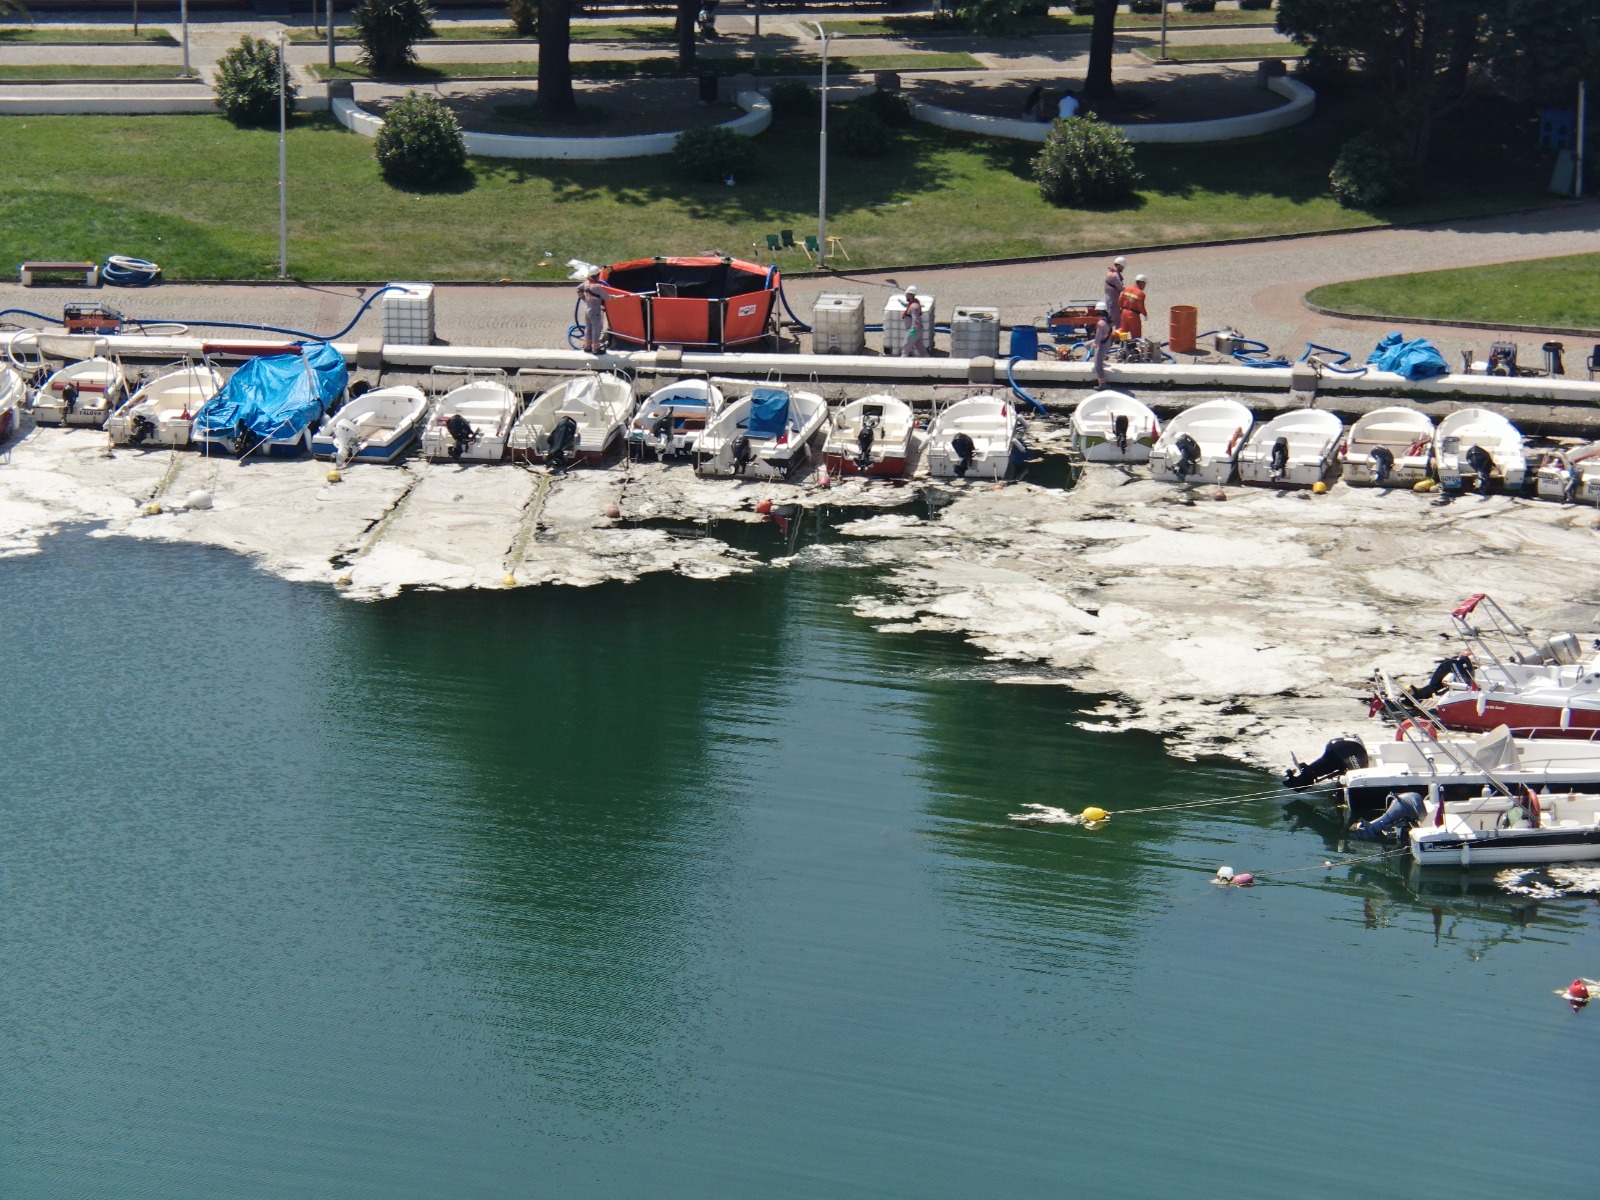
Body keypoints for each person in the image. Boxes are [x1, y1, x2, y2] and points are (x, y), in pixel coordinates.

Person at [577, 266, 607, 354]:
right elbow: (606, 297)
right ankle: (595, 349)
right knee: (596, 329)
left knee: (588, 328)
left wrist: (584, 298)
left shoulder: (586, 283)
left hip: (587, 309)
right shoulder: (597, 286)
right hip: (595, 311)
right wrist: (614, 298)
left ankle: (587, 347)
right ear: (597, 275)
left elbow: (578, 289)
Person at [1118, 273, 1148, 340]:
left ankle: (1116, 338)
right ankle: (1134, 348)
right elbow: (1141, 307)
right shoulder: (1140, 293)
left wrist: (1122, 309)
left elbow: (1120, 300)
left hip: (1124, 313)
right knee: (1136, 333)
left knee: (1123, 330)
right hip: (1133, 315)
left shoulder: (1127, 289)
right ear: (1142, 283)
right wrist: (1145, 314)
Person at [1091, 300, 1113, 385]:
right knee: (1086, 345)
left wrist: (1094, 345)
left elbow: (1098, 337)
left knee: (1097, 366)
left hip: (1101, 345)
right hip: (1107, 342)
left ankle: (1102, 384)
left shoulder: (1101, 323)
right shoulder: (1108, 320)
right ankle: (1102, 358)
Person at [1103, 255, 1126, 327]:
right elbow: (1121, 288)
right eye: (1122, 266)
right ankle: (1113, 336)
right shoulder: (1115, 276)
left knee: (1114, 319)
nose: (1123, 268)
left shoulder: (1110, 272)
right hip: (1114, 302)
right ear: (1119, 266)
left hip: (1110, 300)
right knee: (1115, 320)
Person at [902, 285, 924, 357]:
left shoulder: (914, 307)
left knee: (906, 347)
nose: (906, 296)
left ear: (910, 295)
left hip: (914, 330)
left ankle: (902, 361)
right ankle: (926, 357)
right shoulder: (913, 304)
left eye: (907, 295)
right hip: (918, 330)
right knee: (920, 347)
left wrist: (913, 331)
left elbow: (915, 319)